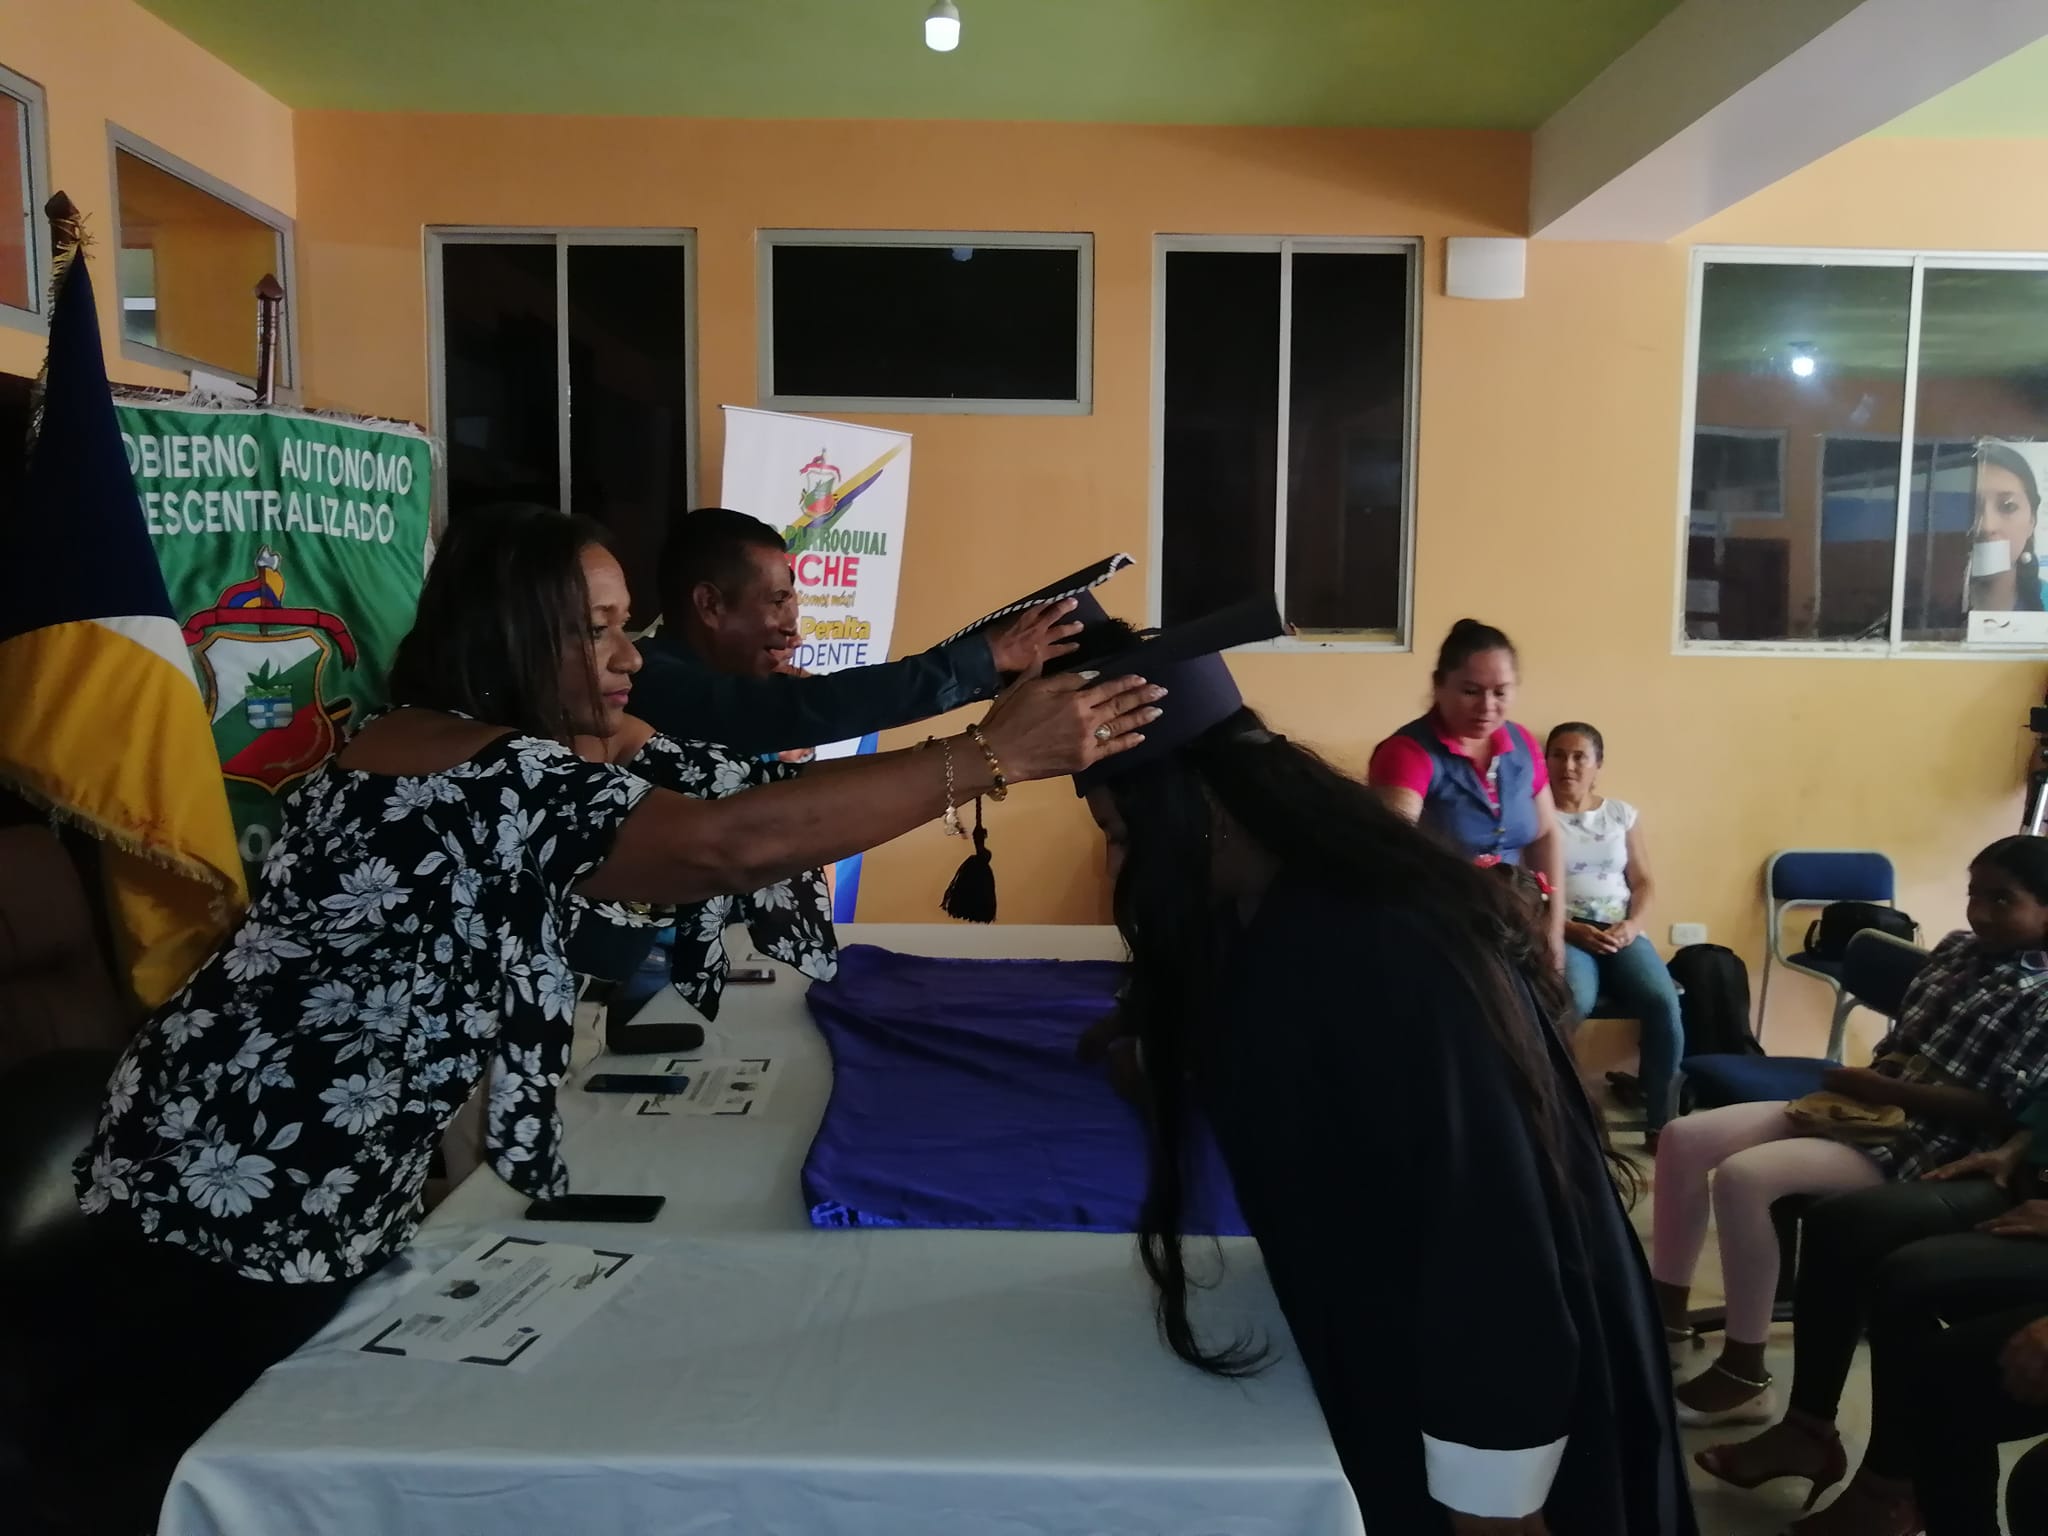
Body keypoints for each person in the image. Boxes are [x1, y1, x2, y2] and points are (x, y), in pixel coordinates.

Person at [1, 504, 1159, 1535]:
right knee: (184, 1469)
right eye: (594, 631)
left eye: (623, 626)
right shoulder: (474, 772)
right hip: (239, 1184)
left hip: (292, 1173)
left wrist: (975, 740)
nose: (628, 656)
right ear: (510, 635)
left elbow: (745, 796)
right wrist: (988, 755)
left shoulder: (488, 748)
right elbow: (723, 847)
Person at [1063, 609, 1695, 1535]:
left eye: (1123, 834)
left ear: (1209, 811)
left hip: (1505, 1402)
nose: (1118, 866)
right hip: (1393, 1325)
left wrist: (1495, 1503)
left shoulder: (1383, 946)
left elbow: (1488, 1231)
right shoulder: (1266, 913)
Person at [1652, 835, 2048, 1429]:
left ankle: (1744, 1373)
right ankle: (1666, 1322)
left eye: (2002, 899)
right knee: (1684, 1138)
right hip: (1867, 1106)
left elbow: (2004, 1112)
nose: (1980, 912)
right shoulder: (1957, 950)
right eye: (1974, 894)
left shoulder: (2042, 991)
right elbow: (1905, 1042)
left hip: (1932, 1139)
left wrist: (1885, 1090)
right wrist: (1868, 1087)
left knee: (1744, 1177)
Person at [1692, 1147, 2048, 1535]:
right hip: (2029, 1178)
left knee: (1939, 1353)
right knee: (1842, 1228)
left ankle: (1886, 1491)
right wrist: (2018, 1145)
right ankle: (1808, 1432)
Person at [632, 506, 1080, 755]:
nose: (792, 629)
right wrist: (984, 659)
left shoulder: (736, 689)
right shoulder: (653, 682)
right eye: (777, 601)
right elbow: (812, 707)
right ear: (710, 604)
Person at [1369, 620, 1565, 964]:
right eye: (1471, 691)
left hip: (1518, 929)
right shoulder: (1408, 753)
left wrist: (1553, 933)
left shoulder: (1522, 744)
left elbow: (1545, 835)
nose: (1487, 706)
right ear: (1439, 685)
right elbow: (1393, 854)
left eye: (1500, 692)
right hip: (1443, 932)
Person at [1545, 722, 1685, 1141]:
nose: (1568, 766)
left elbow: (1643, 882)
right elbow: (1523, 890)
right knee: (1574, 1000)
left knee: (1662, 1001)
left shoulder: (1620, 815)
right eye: (1558, 755)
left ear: (1598, 764)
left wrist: (1632, 926)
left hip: (1621, 930)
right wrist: (1570, 929)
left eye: (1579, 756)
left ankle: (1661, 1124)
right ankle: (1557, 1114)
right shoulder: (1534, 816)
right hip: (1565, 931)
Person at [1965, 441, 2044, 615]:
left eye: (2008, 506)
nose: (1986, 526)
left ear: (2032, 521)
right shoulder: (1921, 605)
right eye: (1970, 506)